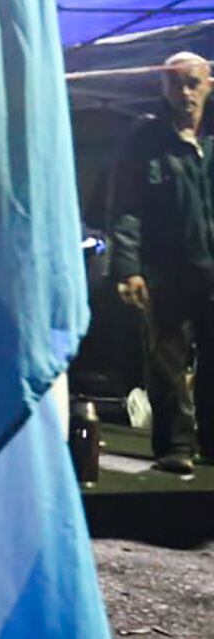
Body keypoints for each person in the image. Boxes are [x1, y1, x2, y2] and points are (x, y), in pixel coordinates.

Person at [109, 51, 214, 478]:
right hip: (166, 272)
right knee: (167, 359)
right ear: (162, 87)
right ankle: (176, 445)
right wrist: (128, 267)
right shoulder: (145, 140)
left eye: (192, 82)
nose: (184, 91)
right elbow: (126, 209)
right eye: (175, 82)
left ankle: (210, 443)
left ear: (209, 84)